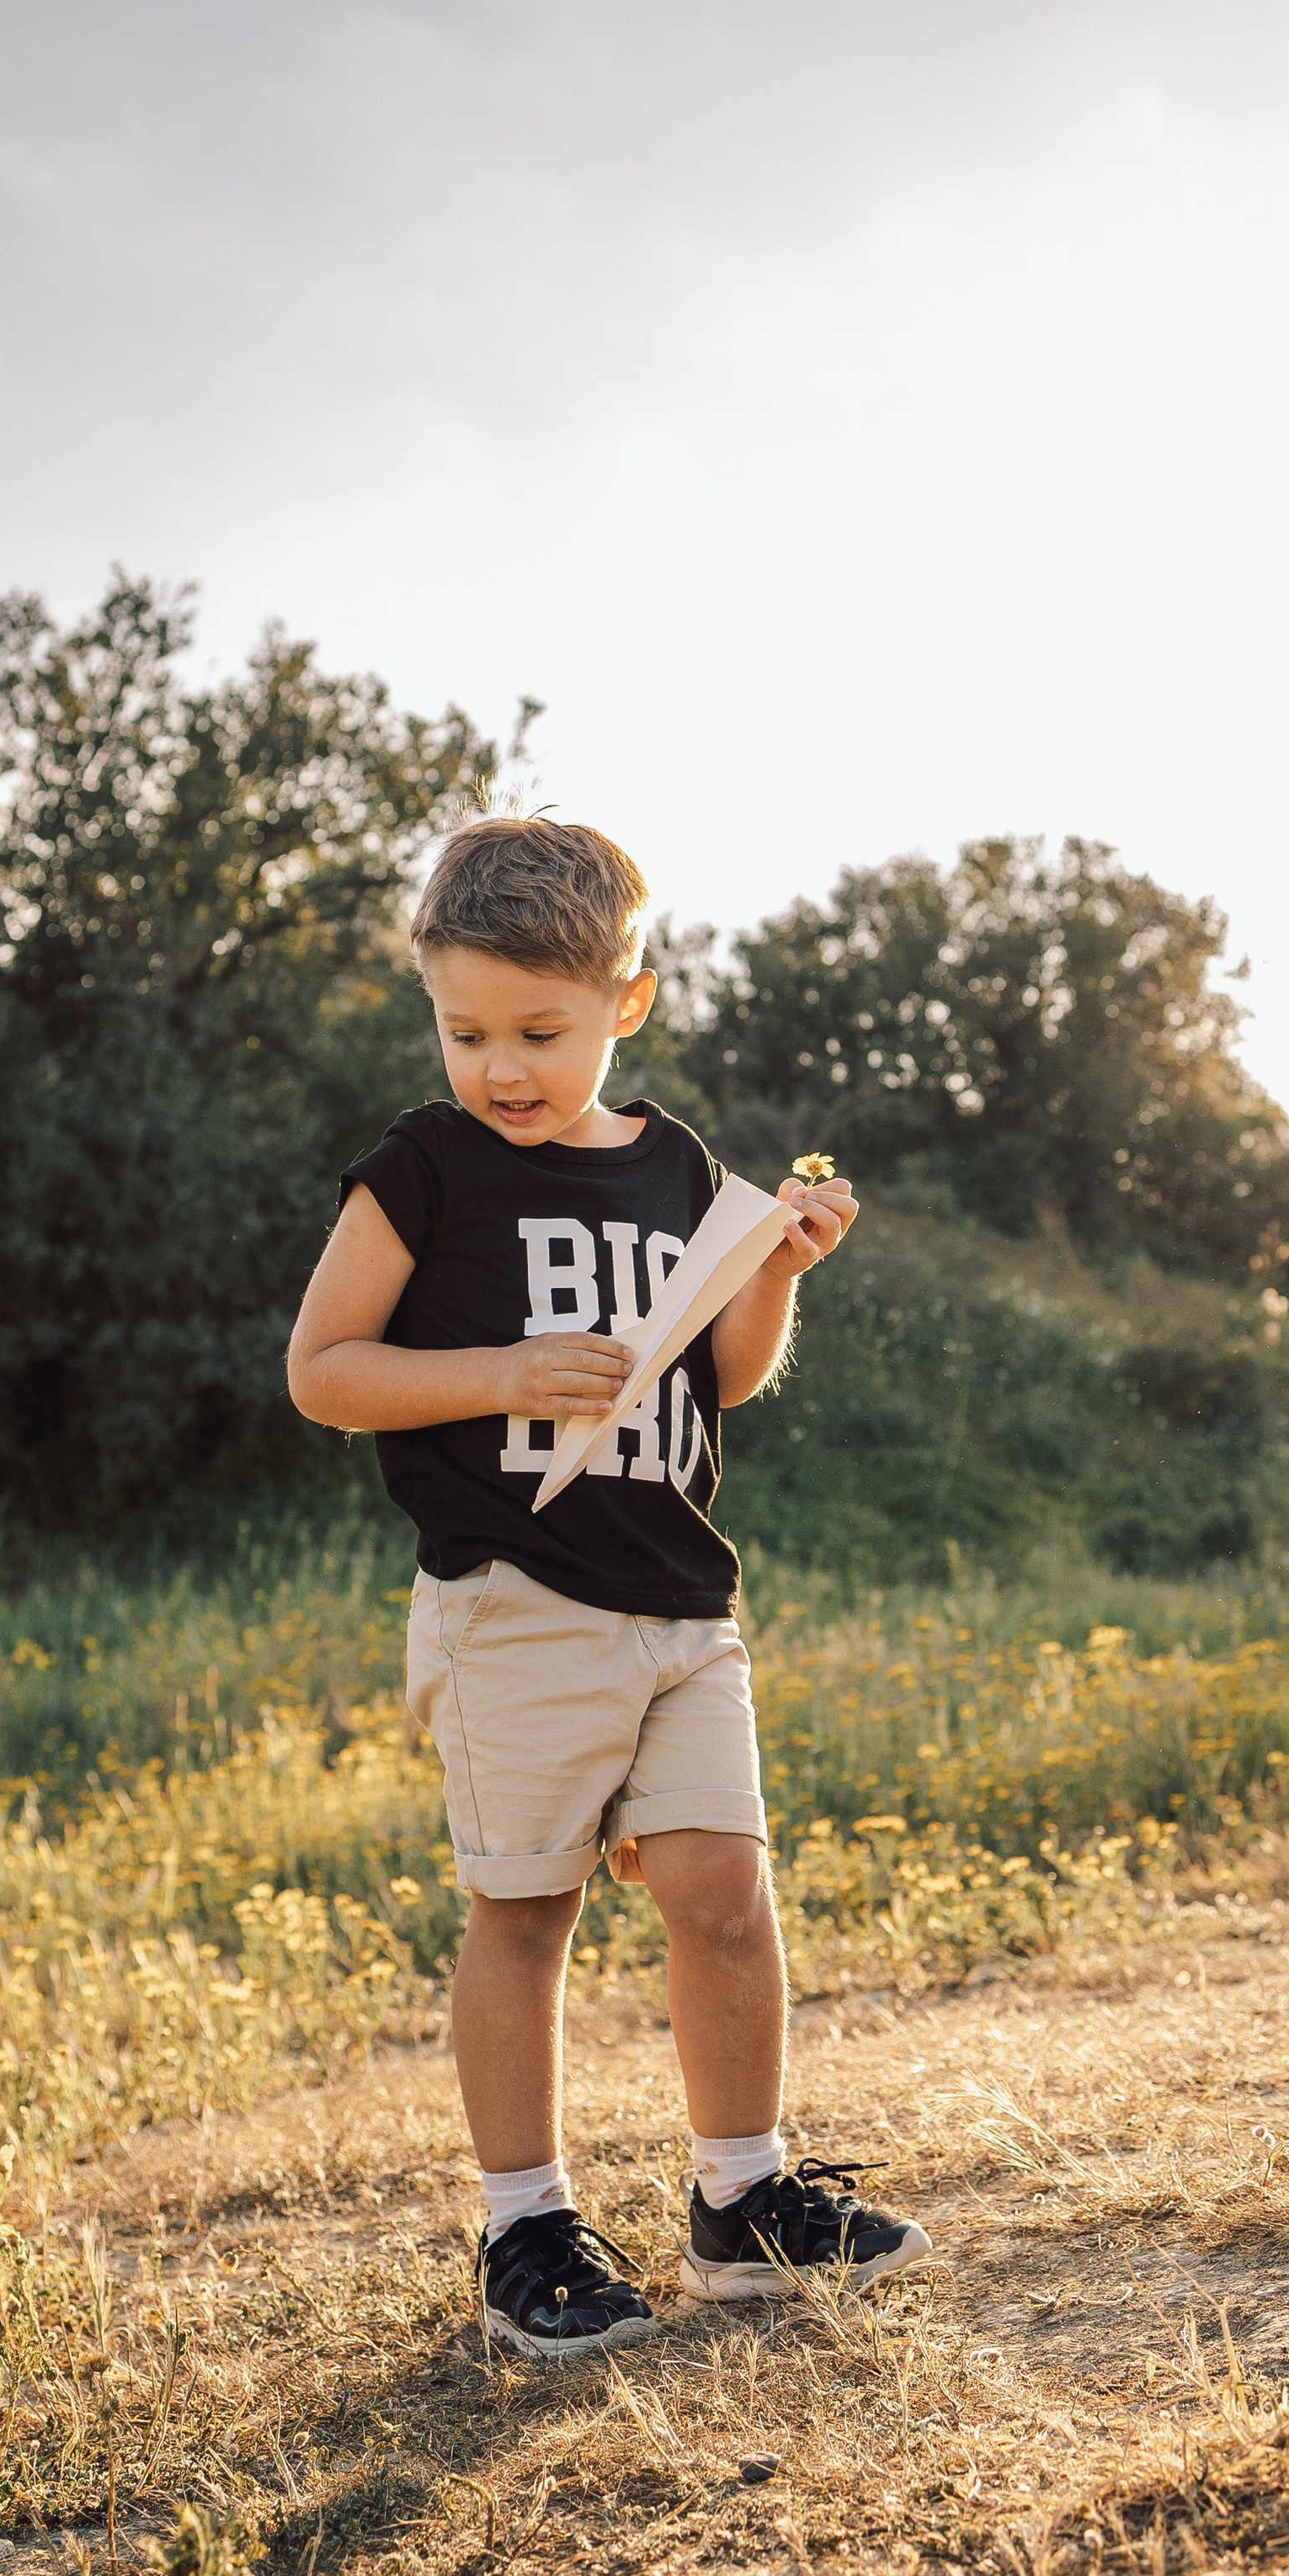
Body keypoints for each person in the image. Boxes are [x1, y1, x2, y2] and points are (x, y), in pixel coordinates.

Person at [287, 815, 932, 2358]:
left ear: (624, 1004)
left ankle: (743, 2199)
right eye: (466, 1031)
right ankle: (528, 2227)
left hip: (681, 1602)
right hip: (516, 1597)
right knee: (529, 1907)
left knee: (723, 1895)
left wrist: (773, 1266)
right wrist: (501, 1370)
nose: (501, 1066)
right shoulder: (423, 1171)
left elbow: (727, 1379)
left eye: (540, 1031)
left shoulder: (673, 1169)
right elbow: (324, 1373)